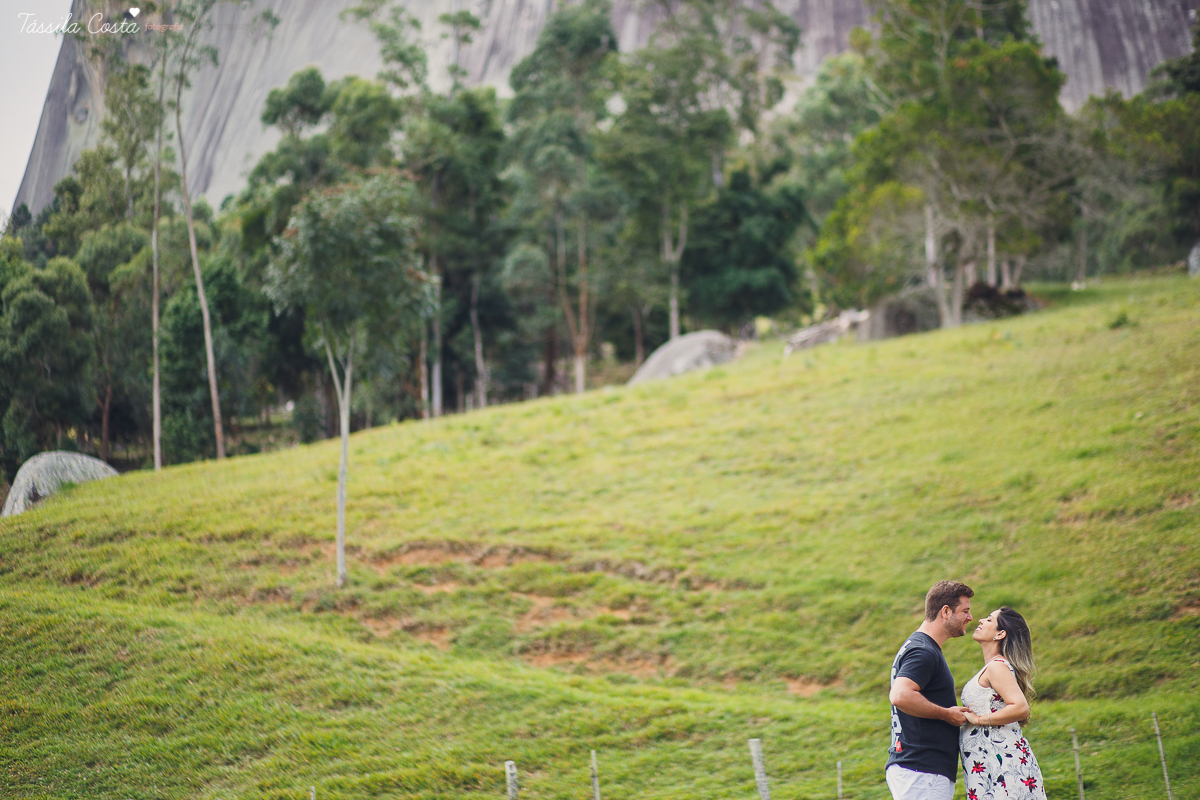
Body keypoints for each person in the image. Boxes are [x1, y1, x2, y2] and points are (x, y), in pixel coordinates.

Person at [886, 580, 974, 800]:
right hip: (922, 770)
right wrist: (947, 714)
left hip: (919, 768)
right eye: (965, 610)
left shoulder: (919, 646)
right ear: (945, 611)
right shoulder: (923, 652)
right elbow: (900, 695)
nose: (970, 617)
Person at [960, 607, 1046, 800]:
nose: (981, 620)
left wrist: (979, 719)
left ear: (1000, 634)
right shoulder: (994, 667)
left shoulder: (997, 667)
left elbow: (1020, 707)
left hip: (1004, 768)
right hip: (990, 766)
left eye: (989, 620)